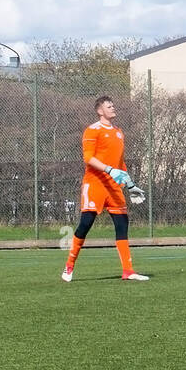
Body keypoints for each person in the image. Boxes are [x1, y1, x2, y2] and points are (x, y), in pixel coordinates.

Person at [62, 95, 149, 282]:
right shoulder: (92, 130)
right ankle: (69, 266)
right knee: (85, 224)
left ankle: (128, 271)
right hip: (95, 184)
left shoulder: (119, 132)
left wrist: (130, 184)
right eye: (109, 106)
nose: (113, 108)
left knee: (122, 224)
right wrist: (109, 170)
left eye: (113, 105)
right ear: (100, 111)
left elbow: (120, 163)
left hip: (114, 186)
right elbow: (88, 158)